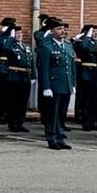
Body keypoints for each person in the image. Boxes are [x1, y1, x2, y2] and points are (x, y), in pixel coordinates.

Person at [35, 16, 75, 150]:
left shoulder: (68, 46)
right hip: (54, 85)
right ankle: (52, 138)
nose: (62, 31)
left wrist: (73, 84)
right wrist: (46, 87)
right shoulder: (46, 46)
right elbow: (43, 68)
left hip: (66, 85)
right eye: (59, 29)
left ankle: (60, 137)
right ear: (51, 31)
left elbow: (71, 66)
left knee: (62, 114)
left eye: (63, 29)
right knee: (52, 113)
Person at [0, 19, 25, 132]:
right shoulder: (3, 37)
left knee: (11, 95)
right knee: (1, 93)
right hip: (2, 67)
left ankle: (10, 115)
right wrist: (3, 31)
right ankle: (1, 114)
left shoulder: (14, 40)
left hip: (13, 69)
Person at [72, 24, 97, 135]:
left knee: (95, 99)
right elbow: (85, 46)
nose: (95, 33)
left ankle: (92, 120)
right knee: (86, 99)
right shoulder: (82, 42)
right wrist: (87, 36)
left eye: (95, 31)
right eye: (93, 31)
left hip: (95, 72)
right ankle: (85, 121)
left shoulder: (95, 43)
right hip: (86, 72)